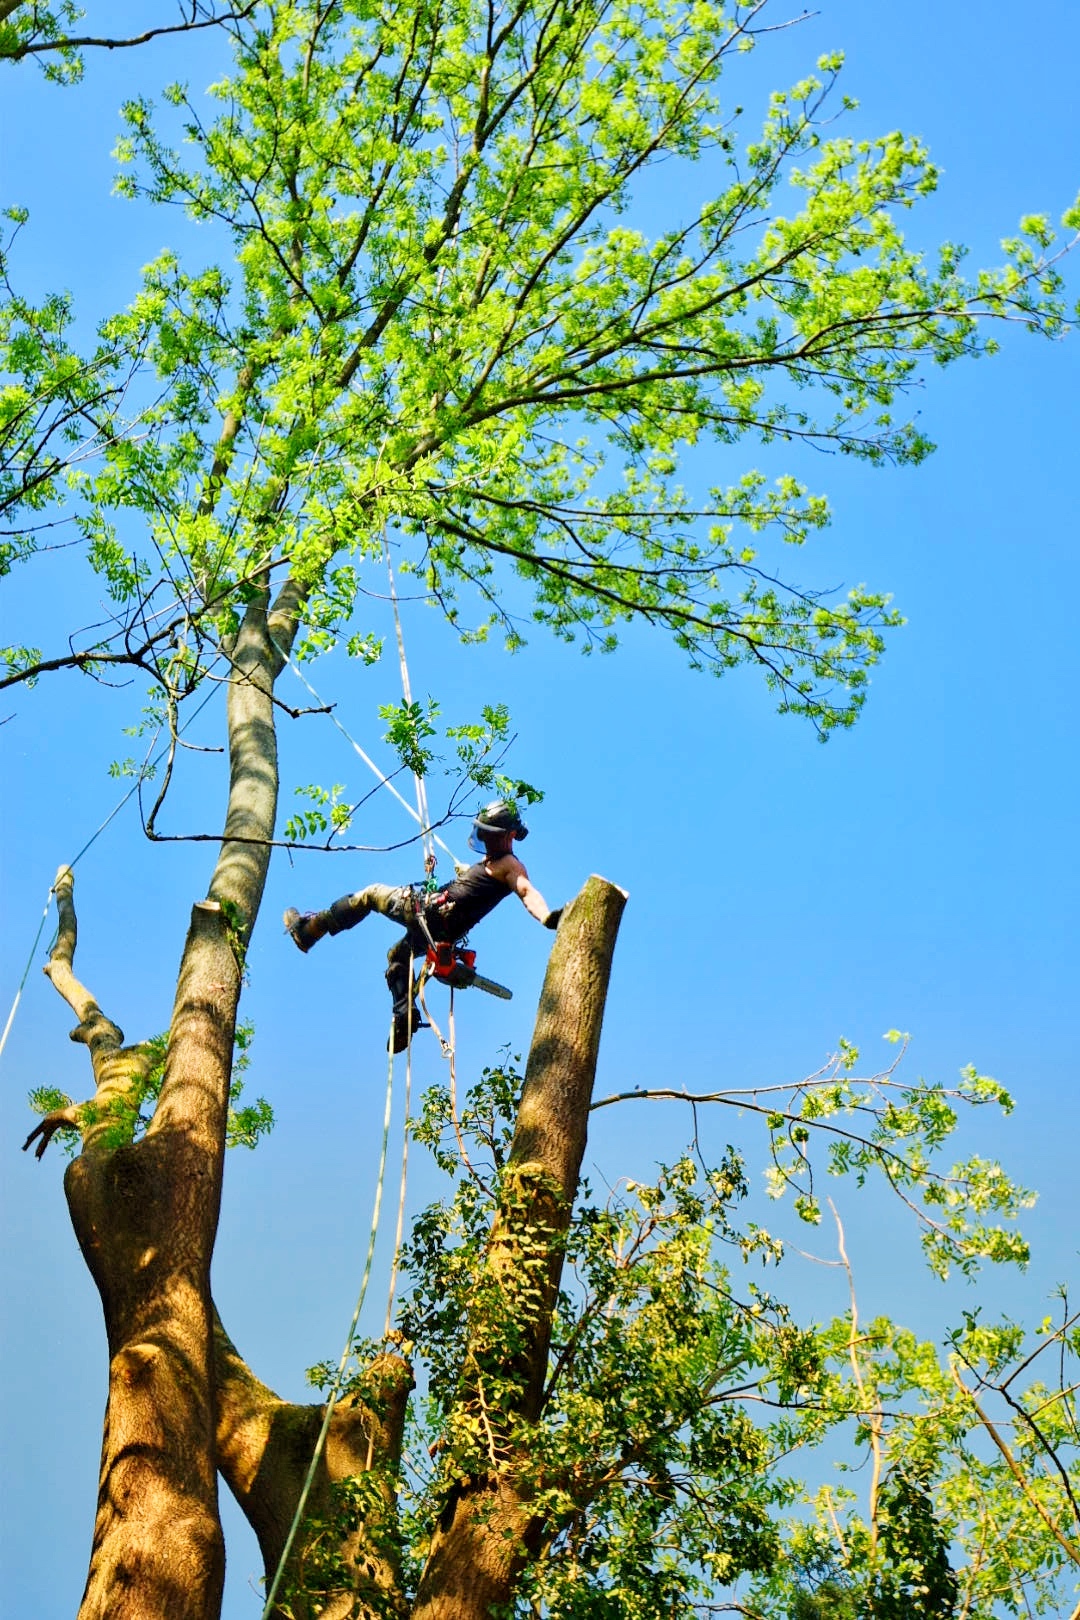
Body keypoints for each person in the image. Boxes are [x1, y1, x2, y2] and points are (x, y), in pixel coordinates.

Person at [283, 800, 562, 1051]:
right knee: (397, 957)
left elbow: (526, 891)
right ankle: (404, 1015)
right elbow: (479, 886)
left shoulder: (511, 865)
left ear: (508, 836)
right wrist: (466, 873)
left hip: (428, 912)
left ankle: (310, 931)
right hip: (439, 930)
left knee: (370, 894)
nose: (486, 839)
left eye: (491, 835)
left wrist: (547, 916)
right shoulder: (491, 863)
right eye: (484, 834)